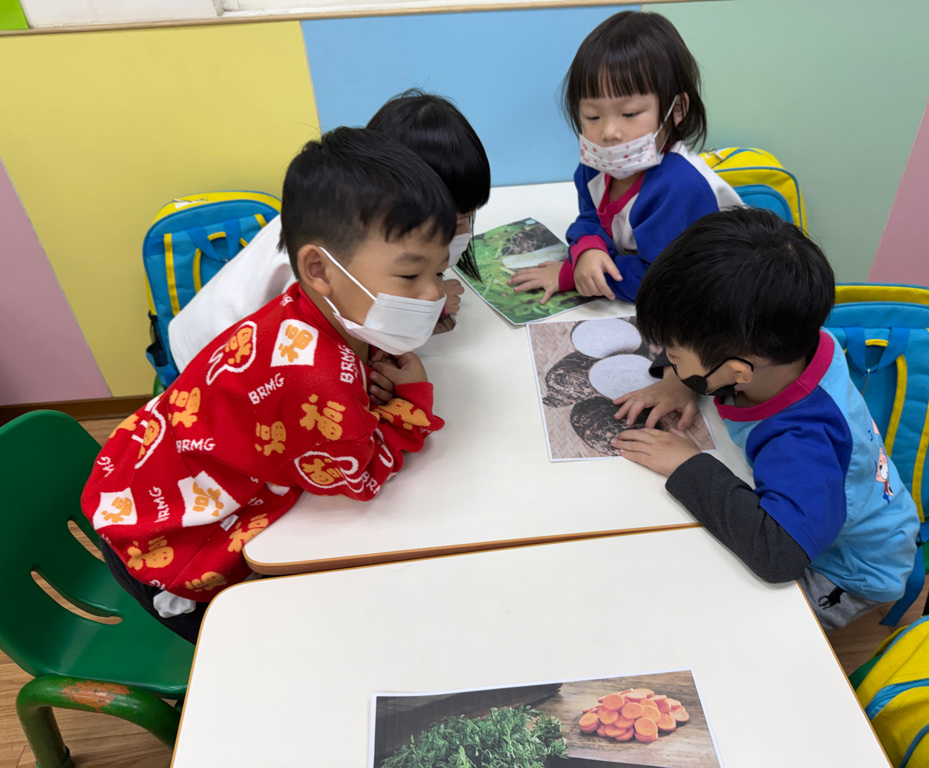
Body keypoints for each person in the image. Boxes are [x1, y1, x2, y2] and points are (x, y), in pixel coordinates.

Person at [81, 127, 453, 643]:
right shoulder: (316, 378)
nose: (434, 293)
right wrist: (411, 401)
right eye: (411, 277)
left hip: (136, 487)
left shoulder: (297, 309)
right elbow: (363, 477)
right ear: (319, 269)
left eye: (441, 271)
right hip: (170, 557)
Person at [611, 208, 920, 632]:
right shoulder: (792, 342)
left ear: (739, 373)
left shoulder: (802, 441)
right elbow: (707, 338)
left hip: (845, 569)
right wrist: (678, 381)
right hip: (813, 510)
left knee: (717, 625)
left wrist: (688, 465)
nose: (669, 358)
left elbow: (779, 555)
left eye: (675, 355)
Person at [168, 89, 491, 376]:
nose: (463, 232)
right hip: (208, 365)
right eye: (453, 223)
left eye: (468, 217)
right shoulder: (320, 268)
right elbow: (314, 360)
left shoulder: (357, 230)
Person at [508, 10, 741, 304]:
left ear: (677, 110)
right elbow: (590, 218)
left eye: (629, 114)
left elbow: (662, 282)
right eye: (592, 116)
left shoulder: (681, 185)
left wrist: (575, 273)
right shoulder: (597, 165)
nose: (609, 133)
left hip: (723, 297)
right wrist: (589, 248)